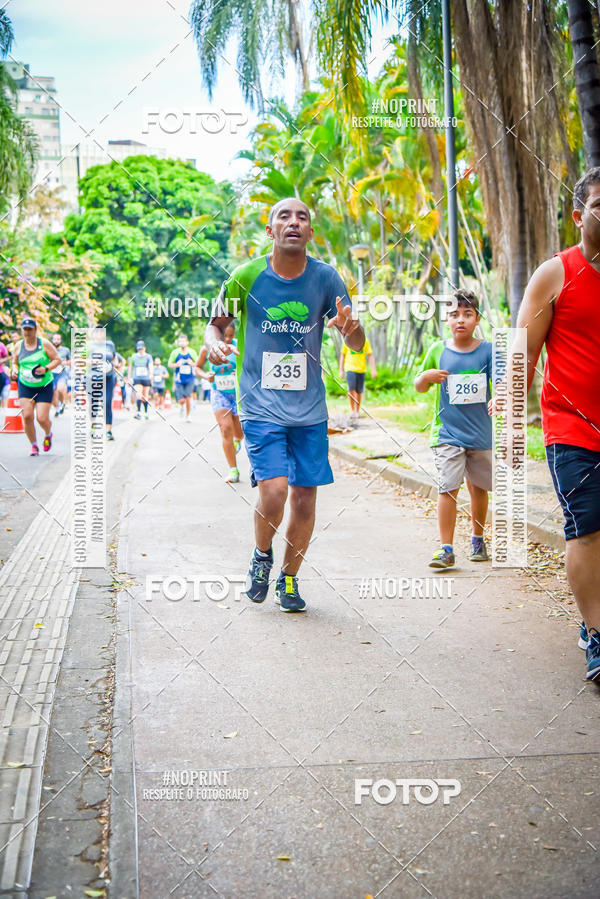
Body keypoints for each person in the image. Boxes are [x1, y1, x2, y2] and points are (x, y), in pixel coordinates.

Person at [206, 197, 365, 612]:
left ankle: (289, 580)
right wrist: (214, 345)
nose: (294, 222)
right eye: (284, 216)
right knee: (274, 491)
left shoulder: (327, 279)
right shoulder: (246, 275)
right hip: (260, 405)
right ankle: (262, 556)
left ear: (310, 232)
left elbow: (354, 340)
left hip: (310, 410)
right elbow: (216, 325)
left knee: (305, 499)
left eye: (303, 217)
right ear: (270, 230)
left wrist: (353, 330)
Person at [517, 167, 600, 681]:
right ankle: (597, 634)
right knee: (587, 529)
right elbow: (523, 348)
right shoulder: (556, 272)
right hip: (572, 428)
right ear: (579, 216)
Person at [414, 289, 495, 570]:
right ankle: (446, 548)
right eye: (454, 314)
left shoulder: (488, 350)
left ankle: (477, 538)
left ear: (477, 319)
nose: (460, 320)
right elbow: (419, 386)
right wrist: (425, 377)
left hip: (481, 434)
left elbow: (502, 381)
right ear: (446, 319)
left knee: (478, 488)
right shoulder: (438, 350)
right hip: (447, 433)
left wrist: (499, 397)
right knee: (448, 487)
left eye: (467, 314)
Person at [11, 317, 60, 455]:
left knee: (41, 418)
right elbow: (15, 362)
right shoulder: (18, 346)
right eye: (25, 329)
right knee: (27, 416)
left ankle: (48, 433)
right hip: (25, 384)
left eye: (30, 329)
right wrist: (14, 369)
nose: (27, 332)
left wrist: (46, 368)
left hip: (43, 385)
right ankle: (33, 445)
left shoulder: (44, 344)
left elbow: (57, 359)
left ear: (35, 330)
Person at [201, 323, 243, 482]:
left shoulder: (240, 346)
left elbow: (250, 365)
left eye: (231, 336)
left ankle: (238, 440)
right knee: (226, 428)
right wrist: (206, 376)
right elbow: (197, 368)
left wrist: (239, 371)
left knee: (239, 432)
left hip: (238, 393)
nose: (227, 339)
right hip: (219, 393)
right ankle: (233, 471)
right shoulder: (208, 348)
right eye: (224, 336)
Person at [89, 326, 119, 440]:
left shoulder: (110, 344)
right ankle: (93, 425)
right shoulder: (90, 346)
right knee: (94, 404)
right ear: (94, 334)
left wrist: (115, 364)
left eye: (102, 331)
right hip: (93, 378)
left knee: (107, 402)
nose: (100, 333)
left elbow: (115, 358)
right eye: (97, 331)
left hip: (108, 377)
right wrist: (91, 361)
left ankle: (108, 431)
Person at [339, 333, 376, 420]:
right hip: (350, 368)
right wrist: (341, 370)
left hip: (361, 369)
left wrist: (373, 369)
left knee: (359, 391)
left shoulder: (365, 341)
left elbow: (370, 355)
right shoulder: (346, 340)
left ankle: (357, 411)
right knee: (351, 389)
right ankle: (352, 411)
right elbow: (342, 355)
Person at [168, 334, 198, 422]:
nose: (182, 343)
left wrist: (191, 363)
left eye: (183, 341)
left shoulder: (192, 352)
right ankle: (181, 407)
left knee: (188, 397)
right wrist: (177, 364)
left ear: (187, 342)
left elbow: (198, 364)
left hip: (190, 378)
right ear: (178, 343)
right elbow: (169, 364)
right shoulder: (175, 352)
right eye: (180, 341)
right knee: (181, 400)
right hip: (179, 379)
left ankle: (188, 416)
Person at [129, 340, 153, 420]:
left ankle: (146, 412)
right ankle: (138, 412)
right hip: (137, 378)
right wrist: (129, 377)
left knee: (145, 395)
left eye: (141, 349)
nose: (140, 350)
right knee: (138, 394)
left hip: (146, 378)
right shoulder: (134, 356)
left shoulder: (148, 356)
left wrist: (151, 374)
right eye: (139, 349)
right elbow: (131, 367)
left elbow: (150, 366)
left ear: (144, 348)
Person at [51, 332, 71, 415]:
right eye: (55, 339)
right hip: (51, 373)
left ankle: (62, 403)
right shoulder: (49, 349)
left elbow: (70, 361)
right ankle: (57, 407)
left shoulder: (65, 350)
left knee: (60, 389)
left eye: (58, 339)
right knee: (52, 393)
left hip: (61, 373)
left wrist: (65, 363)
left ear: (60, 340)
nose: (56, 341)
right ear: (52, 340)